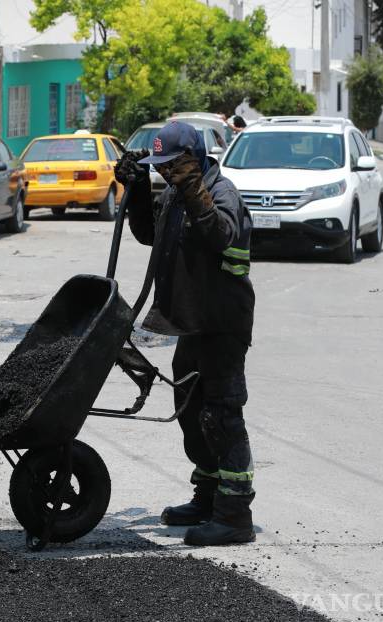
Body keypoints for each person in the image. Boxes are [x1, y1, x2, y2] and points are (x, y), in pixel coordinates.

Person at [114, 121, 257, 547]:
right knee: (192, 413)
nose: (163, 172)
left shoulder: (222, 192)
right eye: (159, 166)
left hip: (222, 324)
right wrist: (138, 188)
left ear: (191, 160)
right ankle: (207, 497)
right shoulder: (177, 193)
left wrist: (193, 188)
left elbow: (221, 236)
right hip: (192, 323)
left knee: (222, 416)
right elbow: (150, 235)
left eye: (169, 165)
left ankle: (234, 515)